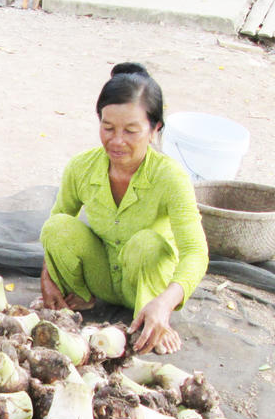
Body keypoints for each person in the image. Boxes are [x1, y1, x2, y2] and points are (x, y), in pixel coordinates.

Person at [40, 62, 208, 355]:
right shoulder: (81, 167)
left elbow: (196, 252)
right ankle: (84, 298)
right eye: (108, 128)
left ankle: (151, 317)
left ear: (154, 129)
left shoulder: (171, 177)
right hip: (103, 278)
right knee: (55, 227)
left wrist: (165, 303)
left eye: (131, 131)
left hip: (147, 280)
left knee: (146, 243)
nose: (116, 141)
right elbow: (59, 220)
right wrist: (47, 275)